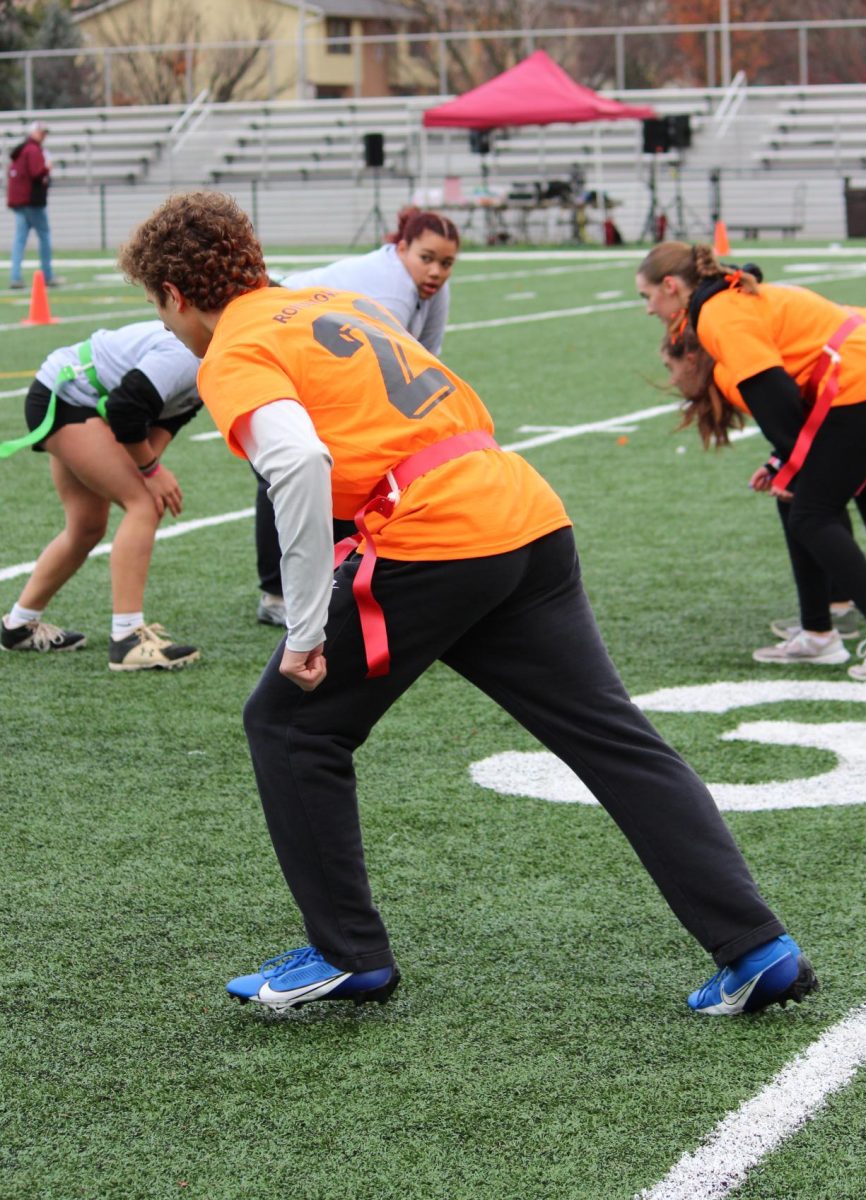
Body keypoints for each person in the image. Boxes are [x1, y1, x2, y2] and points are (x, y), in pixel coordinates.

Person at [118, 190, 819, 1018]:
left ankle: (349, 954)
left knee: (291, 723)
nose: (166, 328)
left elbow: (298, 462)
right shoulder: (336, 302)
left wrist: (307, 626)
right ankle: (754, 946)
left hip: (433, 536)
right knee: (613, 739)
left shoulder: (231, 348)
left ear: (173, 294)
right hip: (520, 511)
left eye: (158, 309)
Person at [639, 241, 866, 681]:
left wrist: (793, 462)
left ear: (670, 286)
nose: (648, 308)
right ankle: (819, 634)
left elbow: (779, 398)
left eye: (646, 296)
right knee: (798, 501)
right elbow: (790, 408)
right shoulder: (722, 303)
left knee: (811, 512)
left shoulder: (717, 315)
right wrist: (783, 464)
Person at [251, 205, 461, 628]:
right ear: (400, 248)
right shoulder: (391, 292)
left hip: (323, 361)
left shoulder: (431, 290)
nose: (436, 270)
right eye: (426, 258)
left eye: (446, 263)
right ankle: (278, 593)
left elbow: (424, 362)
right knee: (290, 470)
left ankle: (347, 577)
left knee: (350, 471)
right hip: (279, 347)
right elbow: (383, 373)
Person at [0, 321, 202, 671]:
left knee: (86, 527)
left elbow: (172, 416)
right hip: (68, 399)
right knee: (144, 504)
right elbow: (126, 407)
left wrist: (147, 466)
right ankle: (126, 638)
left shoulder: (215, 350)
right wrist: (150, 471)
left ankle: (17, 625)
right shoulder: (189, 352)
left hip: (82, 401)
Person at [6, 121, 58, 290]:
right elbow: (37, 173)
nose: (44, 136)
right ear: (34, 133)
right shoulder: (33, 150)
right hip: (32, 201)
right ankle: (47, 275)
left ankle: (15, 276)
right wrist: (47, 168)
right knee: (44, 236)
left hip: (19, 201)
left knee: (20, 239)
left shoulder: (22, 149)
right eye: (42, 133)